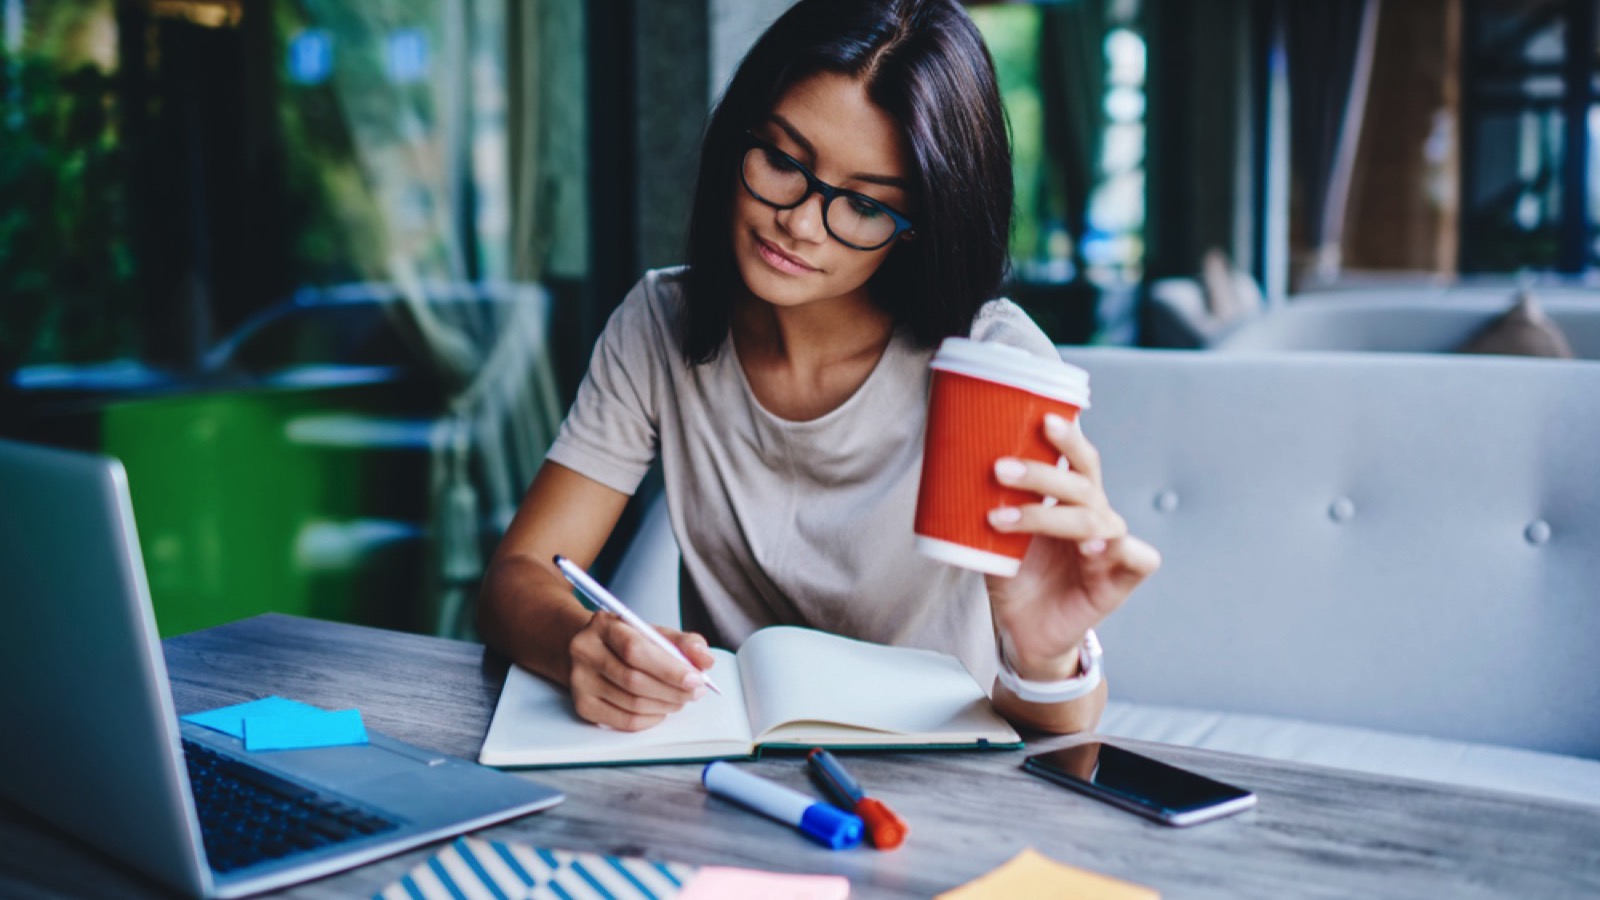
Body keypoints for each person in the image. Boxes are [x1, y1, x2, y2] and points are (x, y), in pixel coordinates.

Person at [478, 0, 1159, 736]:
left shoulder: (992, 368)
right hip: (732, 771)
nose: (799, 224)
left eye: (864, 204)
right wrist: (583, 645)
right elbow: (519, 575)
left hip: (941, 786)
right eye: (780, 160)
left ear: (921, 225)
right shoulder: (661, 323)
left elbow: (1065, 750)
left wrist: (1045, 655)